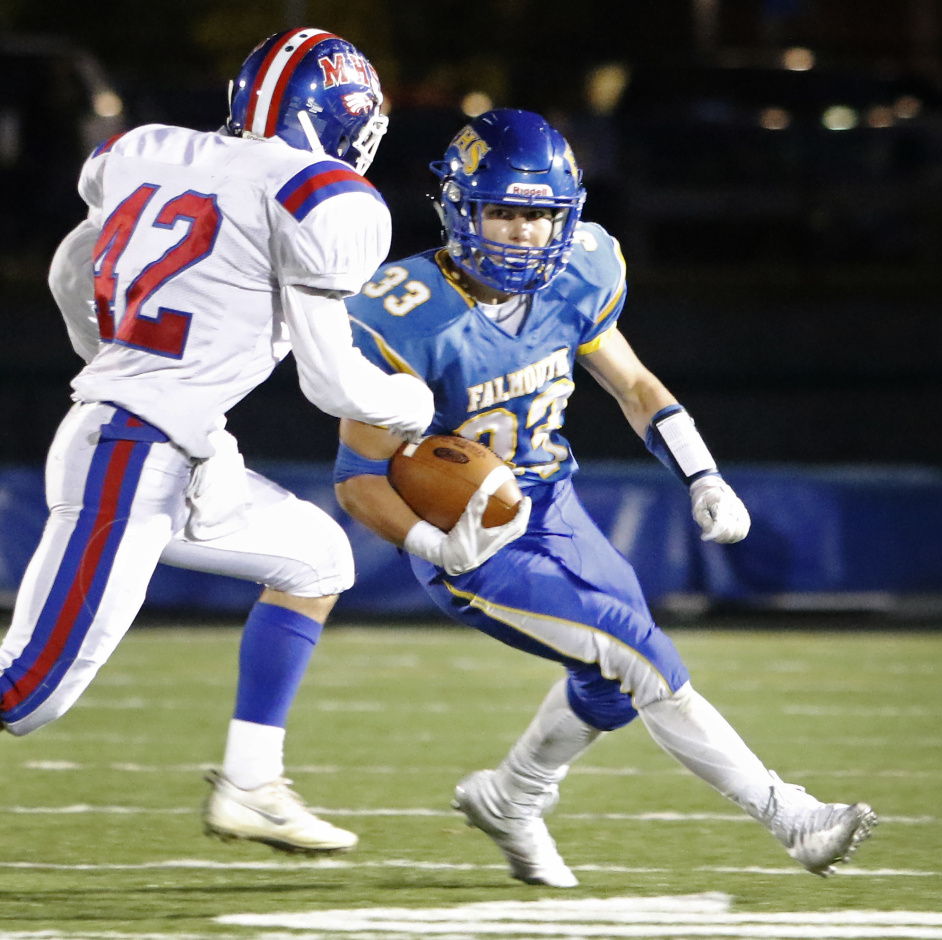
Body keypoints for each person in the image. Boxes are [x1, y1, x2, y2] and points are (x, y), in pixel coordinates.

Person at [334, 108, 877, 886]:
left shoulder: (582, 270)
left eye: (540, 214)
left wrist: (701, 472)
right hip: (473, 532)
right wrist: (432, 547)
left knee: (610, 684)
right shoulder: (405, 315)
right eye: (505, 212)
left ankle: (511, 797)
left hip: (554, 503)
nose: (523, 233)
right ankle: (791, 816)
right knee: (635, 650)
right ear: (460, 208)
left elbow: (632, 384)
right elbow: (356, 477)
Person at [0, 28, 434, 857]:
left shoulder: (148, 151)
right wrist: (412, 404)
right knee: (25, 693)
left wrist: (124, 367)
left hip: (175, 446)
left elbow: (68, 273)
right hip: (129, 452)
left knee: (316, 560)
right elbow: (333, 385)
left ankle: (251, 784)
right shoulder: (317, 195)